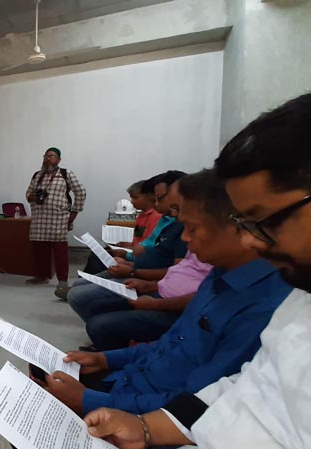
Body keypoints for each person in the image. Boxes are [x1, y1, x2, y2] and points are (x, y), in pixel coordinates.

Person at [82, 93, 311, 449]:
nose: (252, 241)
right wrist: (145, 427)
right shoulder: (295, 296)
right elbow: (242, 392)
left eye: (263, 221)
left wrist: (98, 403)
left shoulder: (270, 297)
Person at [39, 169, 292, 418]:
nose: (185, 238)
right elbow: (169, 344)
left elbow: (193, 406)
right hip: (132, 381)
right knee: (43, 373)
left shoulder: (264, 309)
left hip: (146, 410)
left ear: (240, 226)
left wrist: (90, 401)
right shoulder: (219, 275)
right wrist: (105, 359)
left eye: (192, 228)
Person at [67, 172, 188, 329]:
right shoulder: (159, 219)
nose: (131, 202)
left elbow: (167, 264)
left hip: (143, 274)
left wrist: (131, 264)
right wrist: (128, 255)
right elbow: (146, 243)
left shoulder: (170, 222)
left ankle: (101, 325)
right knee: (90, 269)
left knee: (80, 295)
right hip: (136, 267)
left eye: (135, 197)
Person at [24, 147, 87, 297]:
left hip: (58, 219)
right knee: (39, 250)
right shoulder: (37, 175)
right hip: (39, 219)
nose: (48, 158)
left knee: (60, 252)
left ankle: (62, 281)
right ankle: (41, 276)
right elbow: (28, 193)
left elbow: (81, 192)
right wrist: (34, 197)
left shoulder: (66, 174)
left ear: (59, 159)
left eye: (51, 156)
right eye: (45, 156)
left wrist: (73, 214)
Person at [80, 178, 162, 276]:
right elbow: (139, 238)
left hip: (138, 259)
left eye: (135, 198)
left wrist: (126, 253)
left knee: (97, 259)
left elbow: (149, 247)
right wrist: (127, 244)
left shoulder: (156, 217)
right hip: (132, 253)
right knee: (96, 255)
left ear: (149, 197)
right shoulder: (141, 216)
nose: (131, 202)